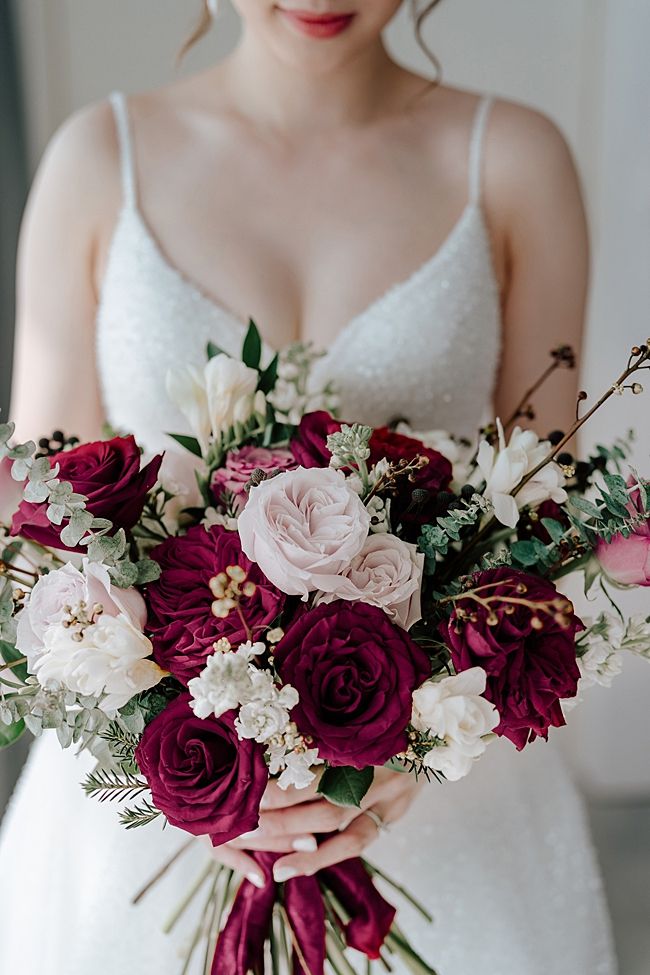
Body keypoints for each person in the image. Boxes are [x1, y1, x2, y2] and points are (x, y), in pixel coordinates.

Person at [1, 2, 616, 972]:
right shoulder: (95, 159)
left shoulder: (511, 160)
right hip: (148, 806)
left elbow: (543, 518)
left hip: (445, 794)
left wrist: (408, 749)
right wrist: (183, 759)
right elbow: (37, 524)